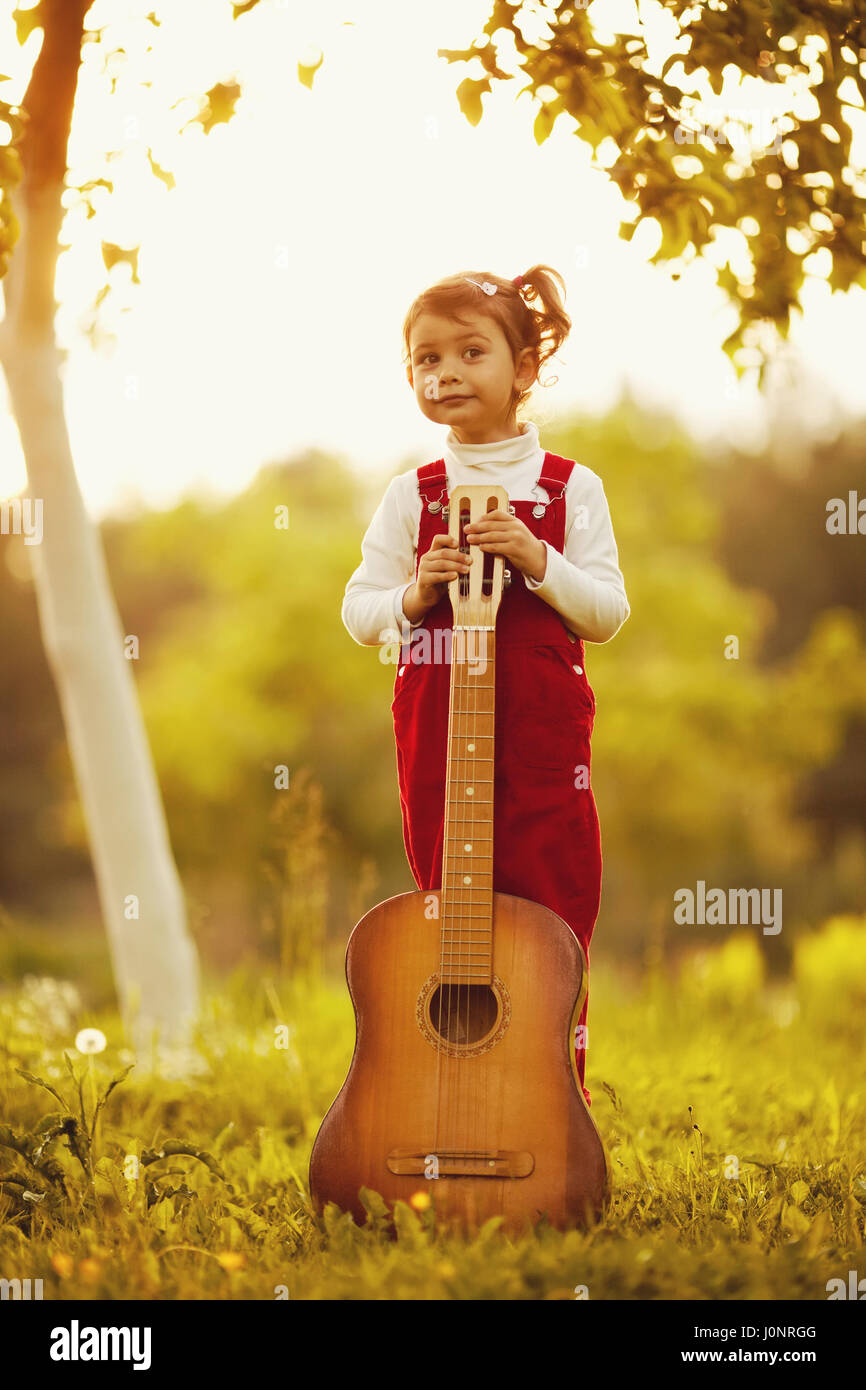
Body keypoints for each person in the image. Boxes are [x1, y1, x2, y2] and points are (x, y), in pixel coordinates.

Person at [341, 265, 629, 1107]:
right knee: (451, 916)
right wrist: (416, 593)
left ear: (526, 369)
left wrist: (539, 562)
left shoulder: (570, 489)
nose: (447, 373)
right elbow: (360, 612)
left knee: (550, 916)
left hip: (543, 747)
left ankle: (547, 1113)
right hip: (438, 736)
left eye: (472, 352)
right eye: (426, 360)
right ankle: (449, 1098)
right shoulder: (411, 496)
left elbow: (607, 611)